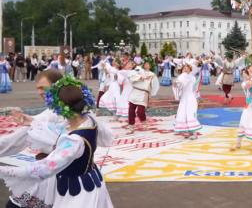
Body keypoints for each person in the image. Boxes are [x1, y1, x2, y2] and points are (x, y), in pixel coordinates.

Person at [0, 75, 114, 208]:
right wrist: (32, 122)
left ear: (59, 108)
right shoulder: (89, 119)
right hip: (91, 180)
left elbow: (45, 167)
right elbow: (57, 129)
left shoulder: (73, 140)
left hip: (78, 192)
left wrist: (5, 171)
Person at [1, 70, 63, 207]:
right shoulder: (55, 110)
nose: (40, 92)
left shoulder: (56, 113)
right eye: (37, 88)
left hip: (55, 174)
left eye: (43, 87)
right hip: (54, 172)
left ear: (57, 85)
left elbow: (15, 141)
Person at [127, 61, 160, 134]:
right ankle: (131, 126)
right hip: (135, 91)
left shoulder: (152, 75)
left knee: (140, 111)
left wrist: (151, 93)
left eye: (148, 64)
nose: (146, 65)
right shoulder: (138, 71)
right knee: (131, 110)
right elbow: (131, 77)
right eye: (145, 64)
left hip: (144, 93)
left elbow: (155, 85)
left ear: (150, 66)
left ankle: (144, 122)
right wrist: (140, 77)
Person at [173, 64, 202, 139]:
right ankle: (188, 132)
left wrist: (177, 83)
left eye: (187, 68)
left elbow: (182, 85)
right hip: (184, 98)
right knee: (184, 114)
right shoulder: (184, 77)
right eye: (184, 68)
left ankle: (194, 134)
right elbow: (179, 87)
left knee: (190, 114)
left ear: (190, 70)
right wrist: (176, 84)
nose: (185, 70)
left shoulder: (190, 77)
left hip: (190, 98)